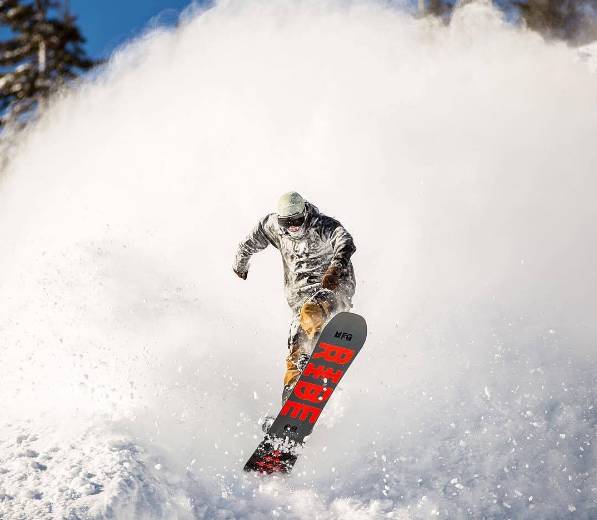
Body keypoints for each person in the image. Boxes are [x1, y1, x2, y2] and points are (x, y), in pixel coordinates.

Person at [233, 191, 356, 404]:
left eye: (298, 221)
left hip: (333, 290)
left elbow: (345, 241)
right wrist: (240, 264)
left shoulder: (322, 226)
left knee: (311, 312)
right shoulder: (272, 226)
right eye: (287, 222)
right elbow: (247, 244)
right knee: (295, 350)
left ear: (306, 213)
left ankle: (318, 346)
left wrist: (335, 269)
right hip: (300, 300)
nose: (293, 227)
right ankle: (290, 400)